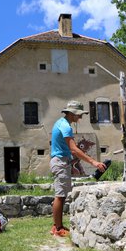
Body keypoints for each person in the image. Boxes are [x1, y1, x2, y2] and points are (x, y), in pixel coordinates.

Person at [49, 100, 106, 237]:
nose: (81, 117)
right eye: (79, 115)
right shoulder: (65, 126)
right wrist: (93, 162)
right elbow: (74, 149)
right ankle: (57, 229)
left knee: (61, 195)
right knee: (60, 196)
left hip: (61, 161)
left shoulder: (61, 123)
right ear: (72, 114)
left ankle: (57, 225)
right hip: (60, 162)